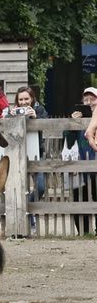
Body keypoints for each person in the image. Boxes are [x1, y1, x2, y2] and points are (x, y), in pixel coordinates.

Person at [6, 86, 48, 234]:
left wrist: (35, 117)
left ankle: (27, 207)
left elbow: (47, 125)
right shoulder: (12, 111)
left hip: (36, 153)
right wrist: (10, 116)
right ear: (17, 101)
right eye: (21, 99)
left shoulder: (39, 110)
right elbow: (4, 128)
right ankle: (27, 221)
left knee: (40, 187)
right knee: (17, 189)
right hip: (17, 155)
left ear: (32, 99)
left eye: (26, 99)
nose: (23, 102)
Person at [67, 87, 97, 234]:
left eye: (93, 99)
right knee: (79, 196)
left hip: (95, 163)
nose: (89, 102)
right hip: (80, 165)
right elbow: (68, 142)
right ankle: (83, 231)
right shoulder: (78, 120)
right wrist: (73, 124)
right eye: (86, 100)